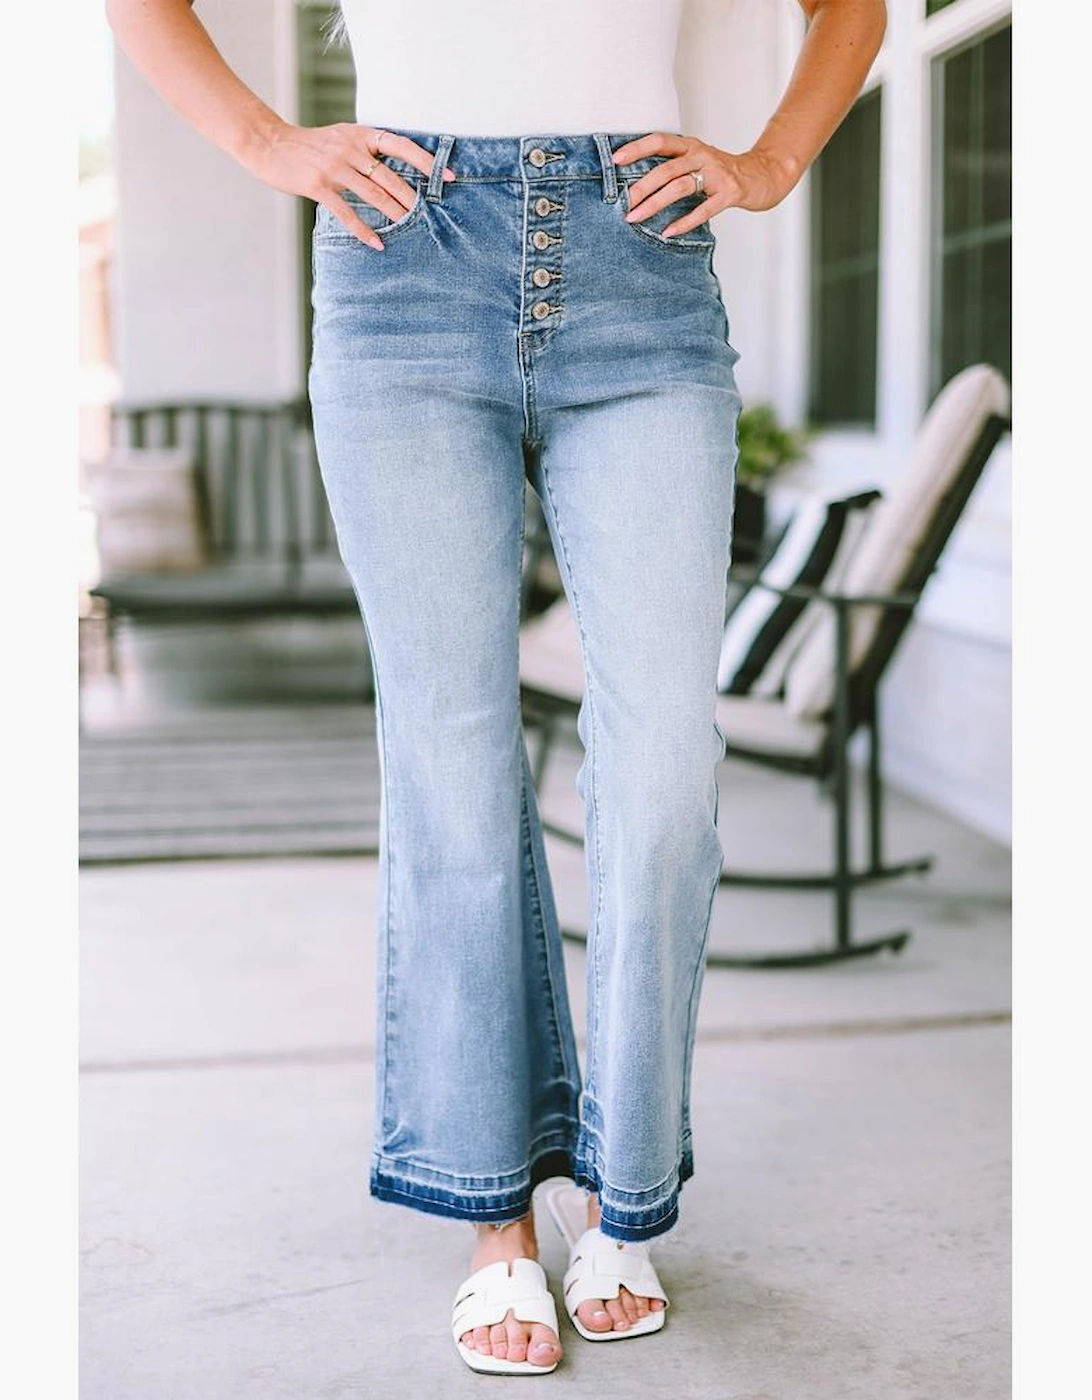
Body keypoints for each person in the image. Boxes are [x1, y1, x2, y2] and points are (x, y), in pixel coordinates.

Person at [105, 0, 887, 1376]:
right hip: (405, 264)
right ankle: (493, 1225)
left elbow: (853, 8)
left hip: (640, 271)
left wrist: (769, 162)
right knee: (455, 766)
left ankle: (625, 1196)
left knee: (662, 772)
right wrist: (266, 141)